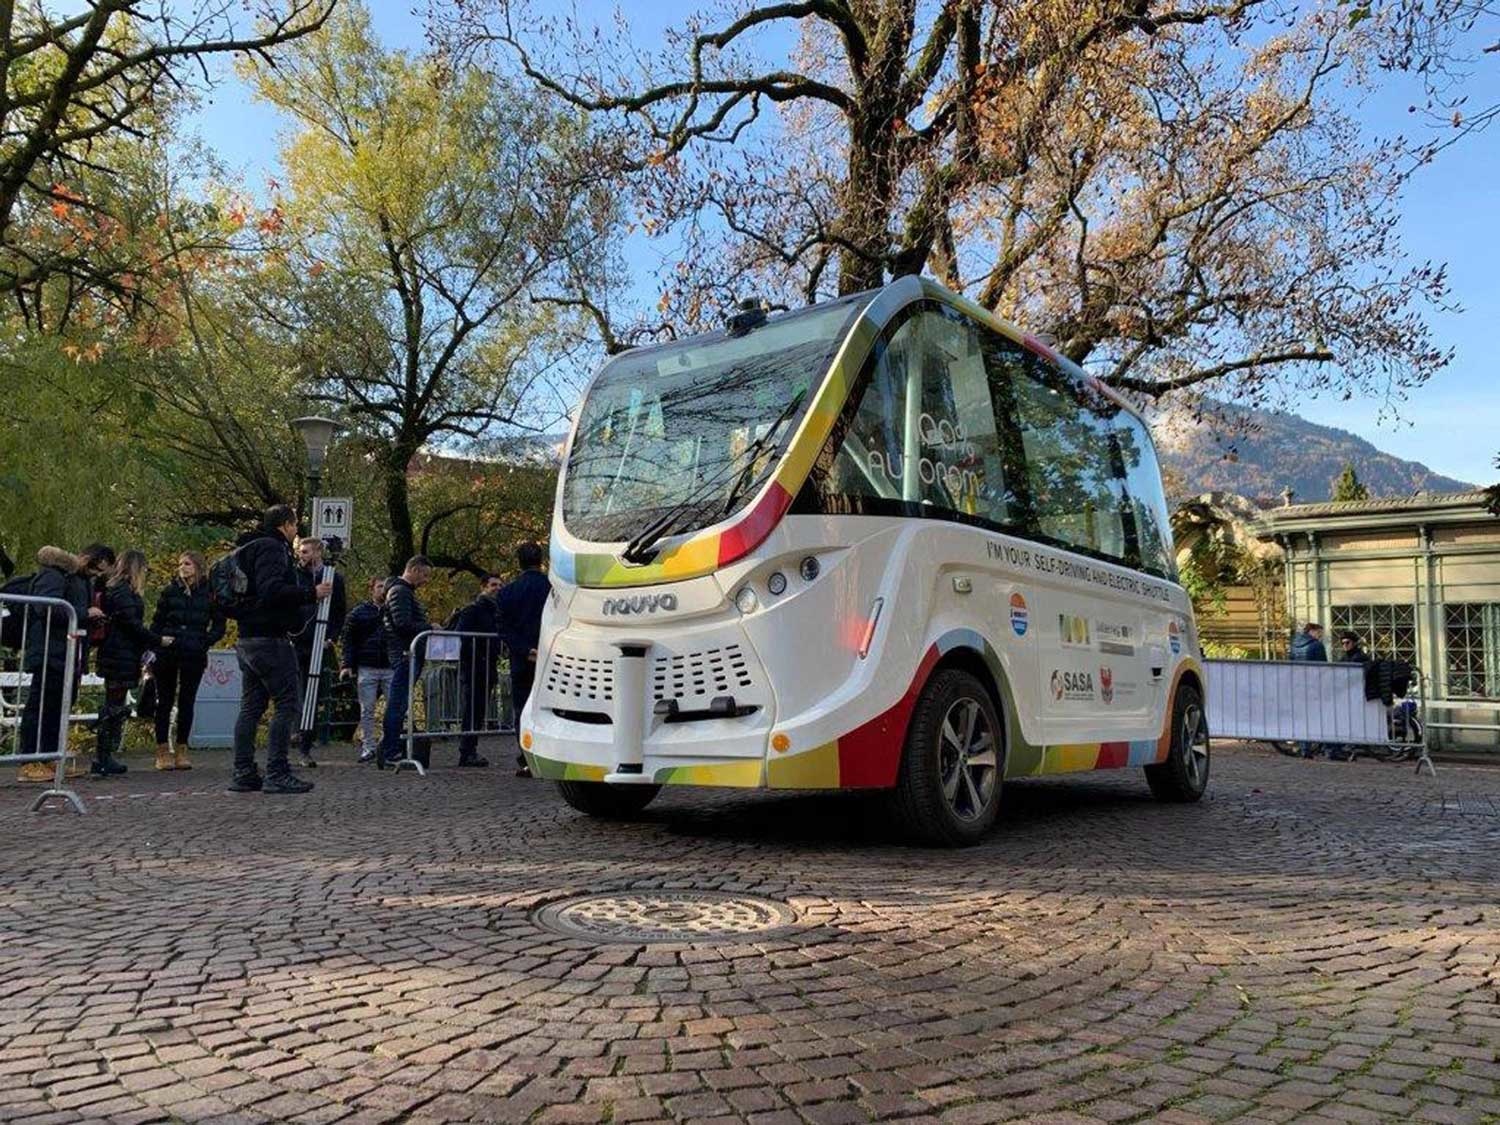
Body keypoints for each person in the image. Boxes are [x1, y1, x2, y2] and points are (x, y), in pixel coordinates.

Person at [231, 504, 330, 794]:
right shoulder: (272, 549)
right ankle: (277, 771)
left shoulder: (245, 549)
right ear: (286, 525)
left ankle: (243, 771)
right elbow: (271, 590)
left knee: (250, 707)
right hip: (270, 638)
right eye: (295, 526)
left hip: (247, 636)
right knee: (287, 703)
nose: (296, 531)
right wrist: (311, 593)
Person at [13, 544, 114, 781]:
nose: (97, 576)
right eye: (97, 570)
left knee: (58, 707)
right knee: (40, 706)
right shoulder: (55, 574)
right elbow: (46, 607)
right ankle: (29, 761)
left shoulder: (80, 581)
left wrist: (90, 620)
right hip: (50, 650)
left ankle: (48, 757)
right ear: (89, 560)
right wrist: (83, 613)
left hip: (69, 652)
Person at [149, 551, 225, 770]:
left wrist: (205, 640)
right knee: (164, 700)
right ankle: (162, 748)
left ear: (198, 566)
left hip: (194, 651)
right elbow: (157, 622)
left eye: (188, 563)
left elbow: (219, 624)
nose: (183, 567)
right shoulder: (170, 591)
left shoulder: (210, 594)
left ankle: (182, 747)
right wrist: (155, 645)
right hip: (168, 650)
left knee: (187, 700)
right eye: (181, 564)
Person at [94, 551, 163, 777]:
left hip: (120, 652)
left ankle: (105, 755)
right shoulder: (122, 592)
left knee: (115, 702)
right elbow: (131, 623)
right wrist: (155, 640)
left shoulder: (117, 590)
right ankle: (103, 756)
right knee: (113, 704)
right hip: (119, 653)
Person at [290, 537, 347, 769]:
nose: (301, 556)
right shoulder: (294, 576)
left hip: (318, 641)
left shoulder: (334, 578)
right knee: (293, 691)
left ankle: (305, 745)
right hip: (294, 640)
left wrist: (331, 637)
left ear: (318, 552)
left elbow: (339, 611)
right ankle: (293, 731)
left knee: (313, 694)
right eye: (299, 552)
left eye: (305, 552)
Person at [496, 542, 550, 777]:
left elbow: (503, 628)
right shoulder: (554, 588)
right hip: (553, 657)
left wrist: (526, 650)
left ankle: (526, 756)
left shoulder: (507, 592)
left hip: (522, 658)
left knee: (522, 709)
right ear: (541, 560)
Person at [378, 556, 433, 766]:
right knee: (397, 703)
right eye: (425, 575)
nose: (426, 580)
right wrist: (428, 628)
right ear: (415, 570)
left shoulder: (400, 592)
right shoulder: (401, 592)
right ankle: (391, 751)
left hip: (404, 652)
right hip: (404, 653)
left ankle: (391, 750)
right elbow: (402, 623)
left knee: (399, 702)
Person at [451, 574, 503, 768]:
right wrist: (474, 655)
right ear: (484, 587)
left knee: (478, 710)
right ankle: (467, 750)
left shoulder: (496, 611)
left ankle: (470, 749)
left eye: (499, 585)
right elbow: (462, 637)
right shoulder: (473, 610)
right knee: (472, 709)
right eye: (493, 585)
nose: (497, 588)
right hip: (474, 666)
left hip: (487, 665)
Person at [341, 577, 390, 763]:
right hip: (367, 666)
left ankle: (387, 745)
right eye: (379, 587)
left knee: (393, 708)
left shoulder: (394, 611)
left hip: (389, 666)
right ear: (372, 589)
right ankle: (368, 746)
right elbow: (348, 640)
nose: (383, 590)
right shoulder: (359, 613)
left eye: (385, 587)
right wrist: (347, 664)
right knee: (367, 709)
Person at [1290, 621, 1328, 759]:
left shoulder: (1294, 646)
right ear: (1312, 631)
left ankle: (1303, 747)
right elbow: (1324, 667)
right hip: (1313, 687)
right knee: (1318, 717)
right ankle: (1325, 747)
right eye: (1320, 632)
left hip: (1298, 686)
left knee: (1302, 718)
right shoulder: (1317, 646)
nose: (1321, 636)